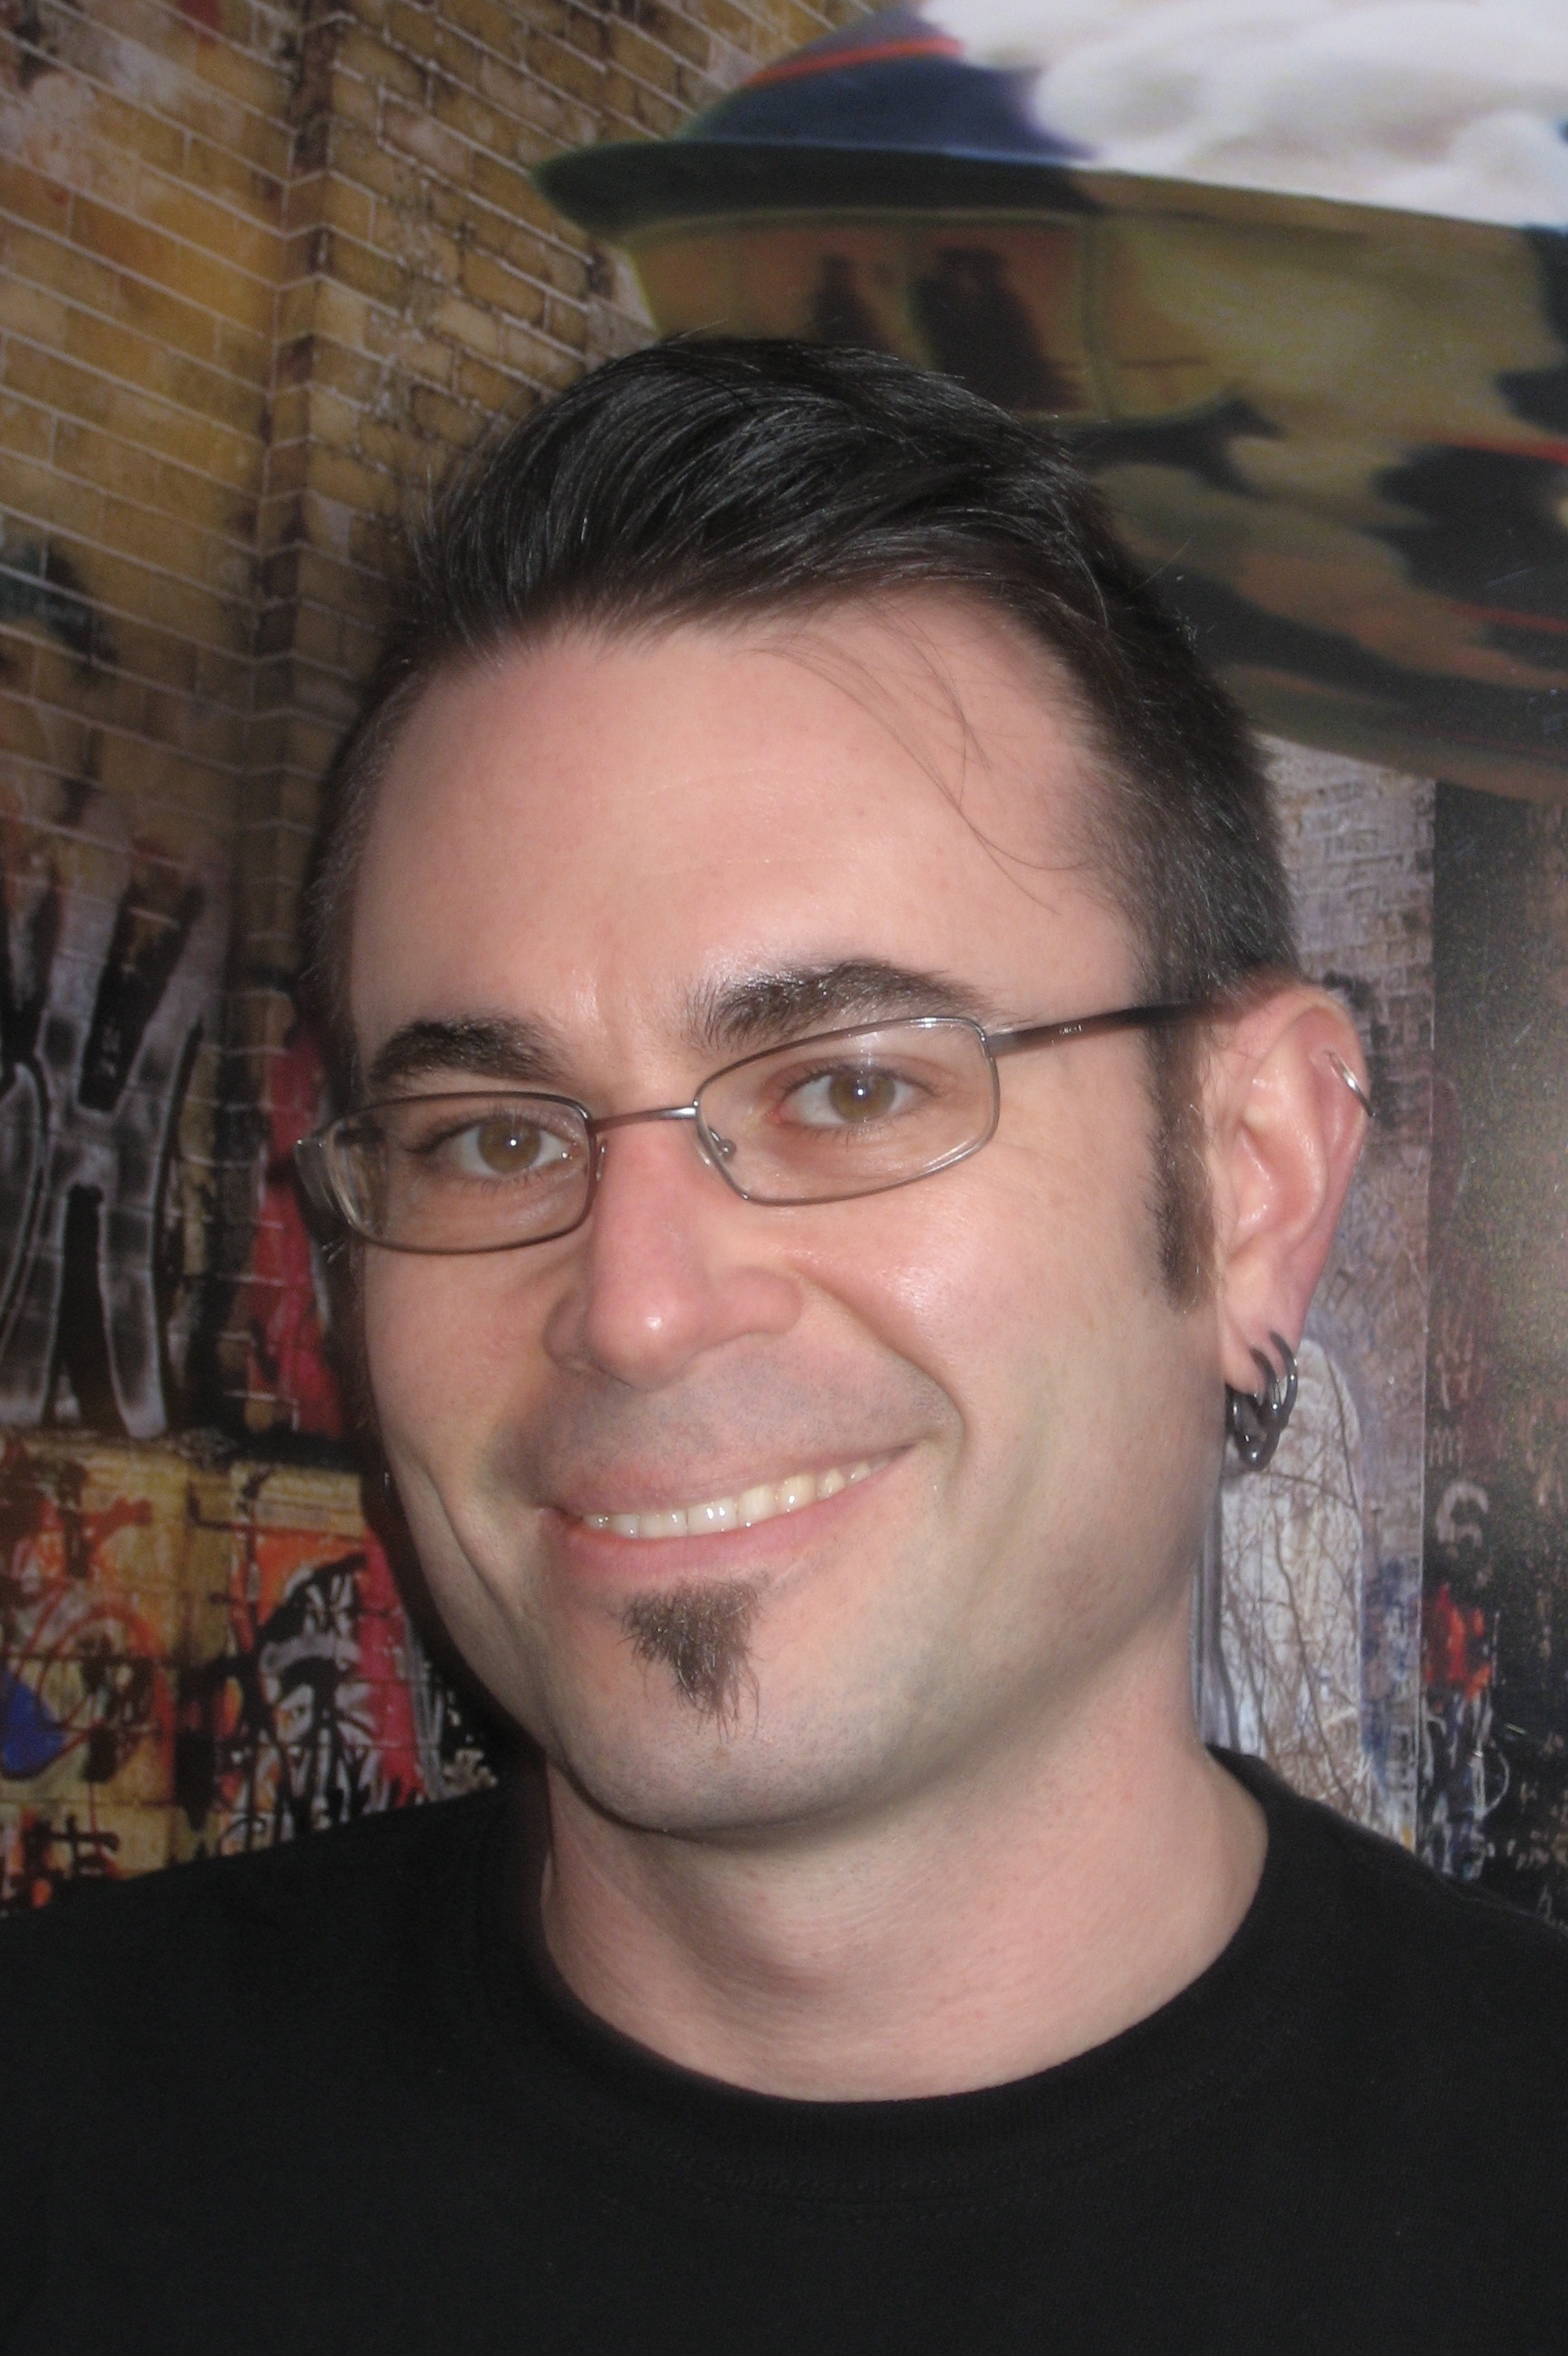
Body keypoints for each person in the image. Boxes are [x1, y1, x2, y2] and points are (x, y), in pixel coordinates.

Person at [2, 337, 1565, 2354]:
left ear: (1249, 1177)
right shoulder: (62, 2149)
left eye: (846, 1088)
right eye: (490, 1136)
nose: (637, 1307)